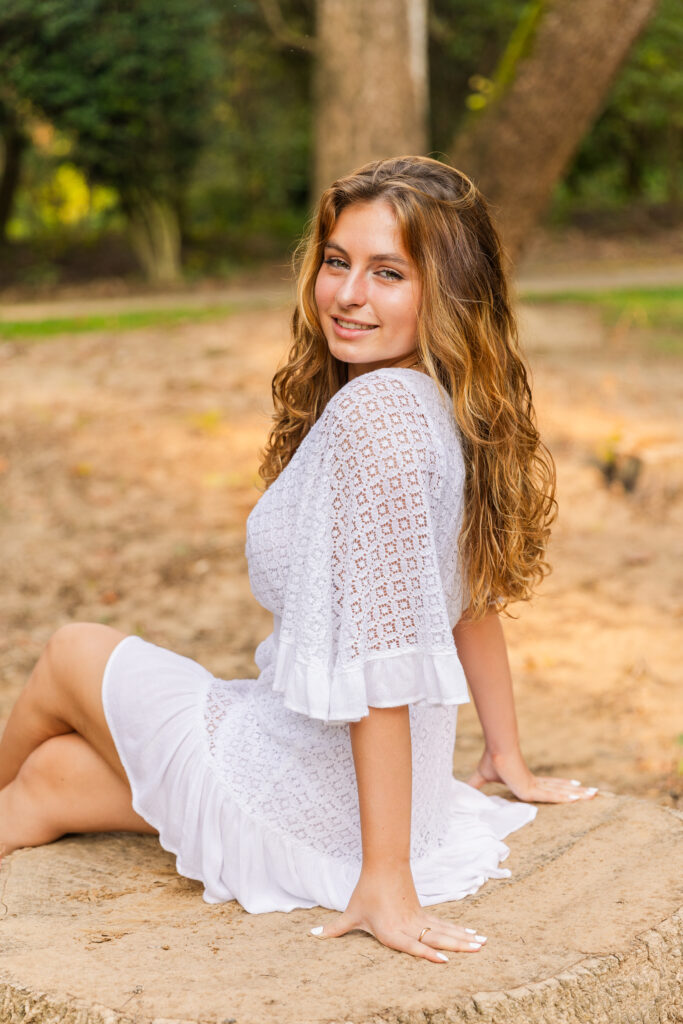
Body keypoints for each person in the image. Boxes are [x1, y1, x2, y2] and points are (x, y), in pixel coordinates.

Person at [0, 155, 597, 964]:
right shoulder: (444, 400)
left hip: (319, 803)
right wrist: (504, 754)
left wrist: (384, 880)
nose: (348, 295)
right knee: (55, 777)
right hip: (380, 803)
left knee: (71, 648)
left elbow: (381, 660)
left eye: (388, 273)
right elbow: (471, 600)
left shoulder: (377, 418)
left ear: (448, 292)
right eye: (336, 261)